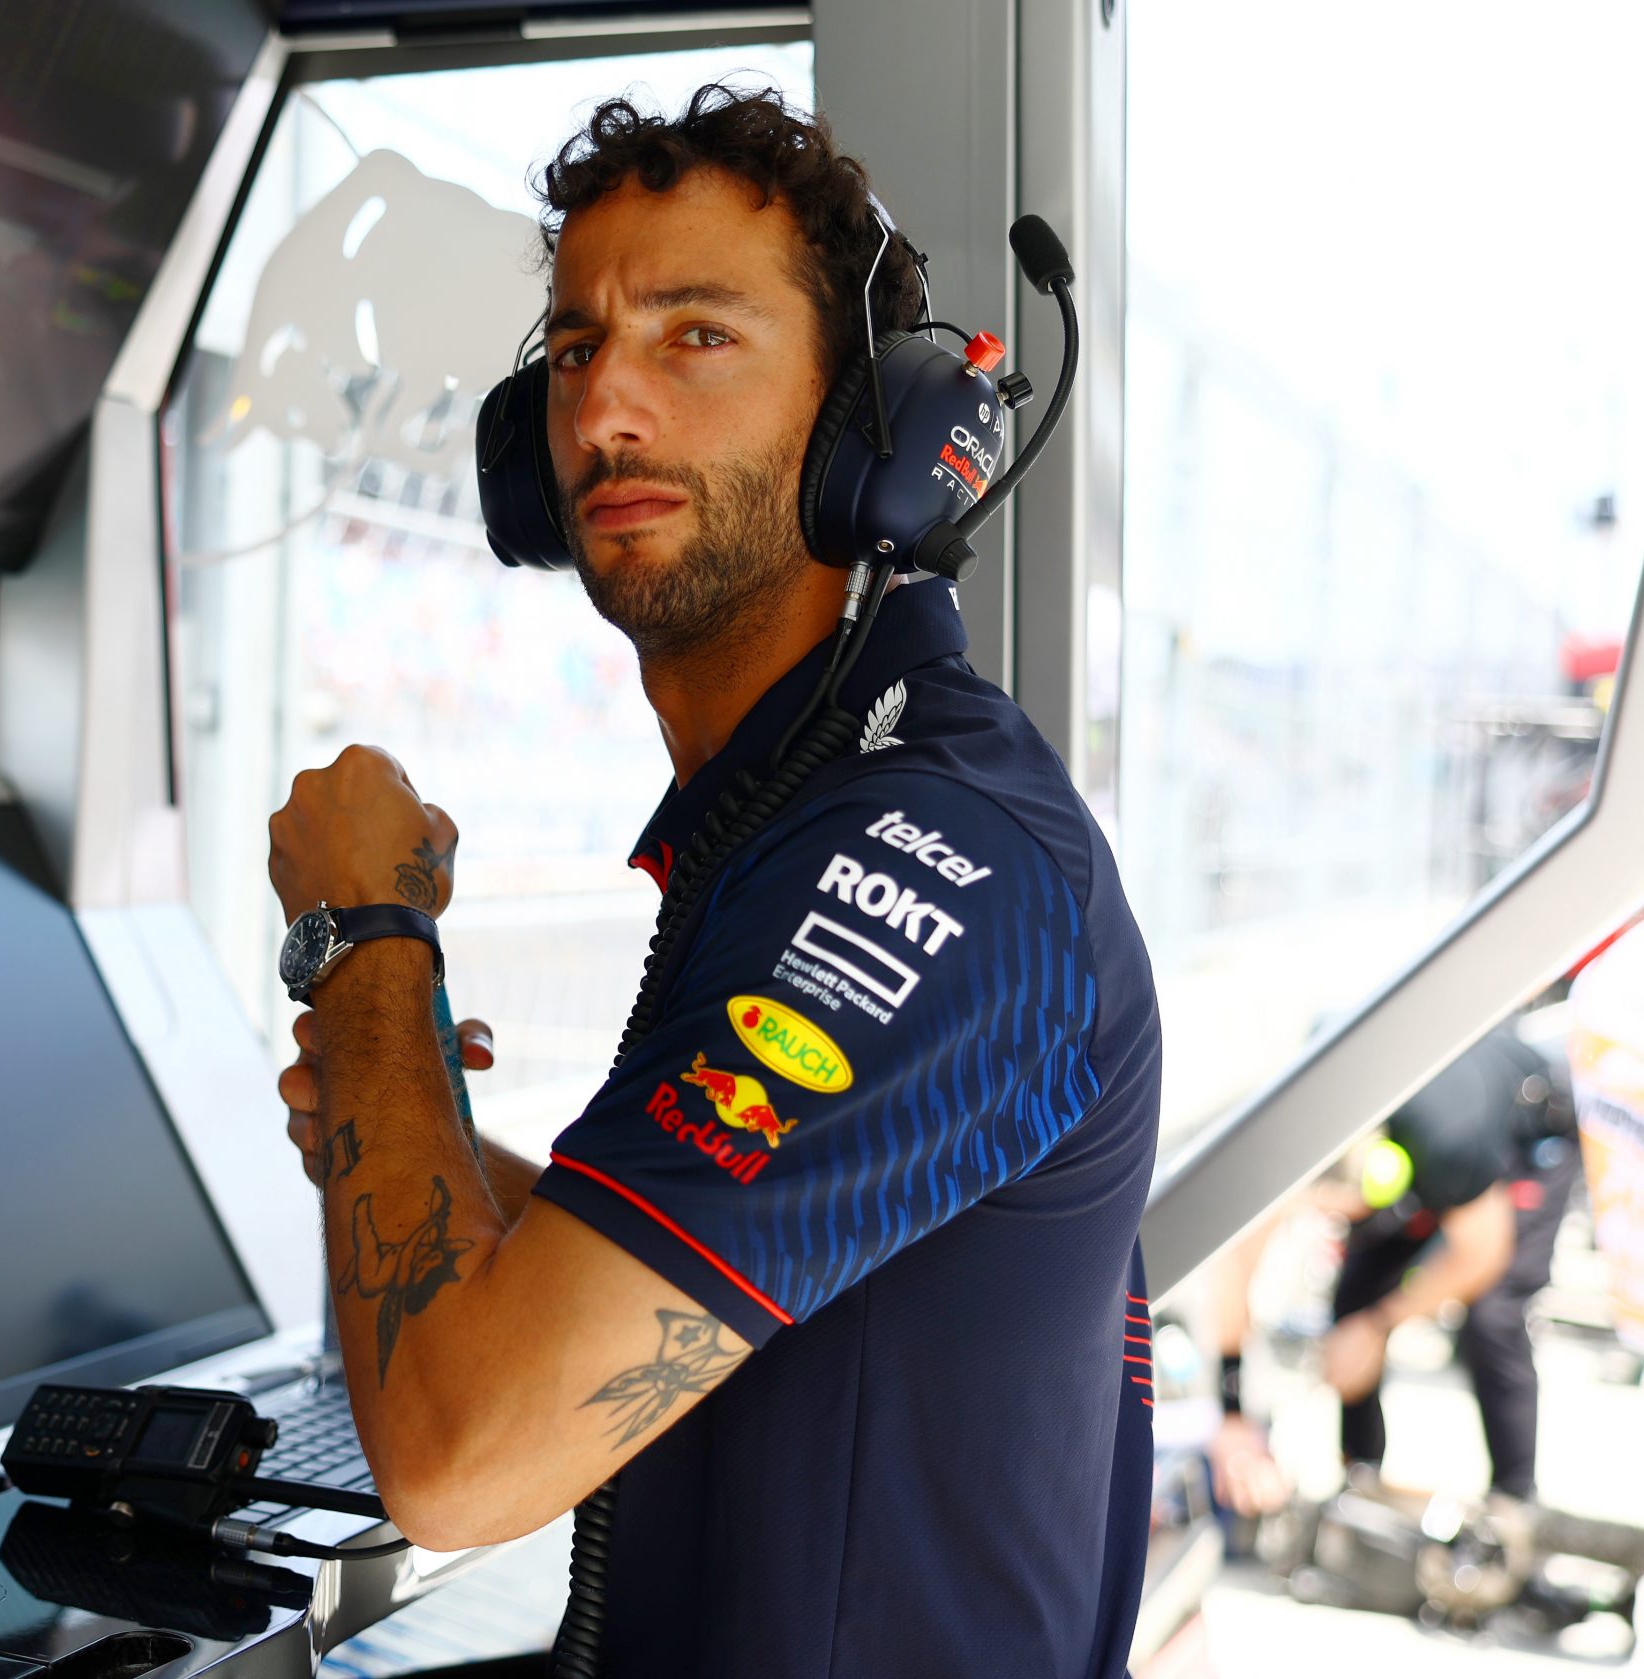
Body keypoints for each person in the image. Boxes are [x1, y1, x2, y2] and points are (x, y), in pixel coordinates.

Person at [263, 85, 1162, 1677]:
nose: (604, 407)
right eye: (572, 348)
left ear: (867, 434)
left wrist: (367, 948)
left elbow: (460, 1454)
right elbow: (720, 1301)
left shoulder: (920, 864)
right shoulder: (802, 812)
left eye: (694, 335)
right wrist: (415, 1139)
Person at [1205, 1023, 1581, 1519]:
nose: (1340, 1227)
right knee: (1353, 1299)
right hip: (1412, 1143)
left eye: (1348, 1216)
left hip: (1528, 1134)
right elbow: (1235, 1267)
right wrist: (1231, 1416)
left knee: (1493, 1315)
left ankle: (1516, 1503)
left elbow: (1480, 1257)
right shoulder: (1282, 1135)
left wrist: (1381, 1324)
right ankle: (1360, 1480)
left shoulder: (1448, 1142)